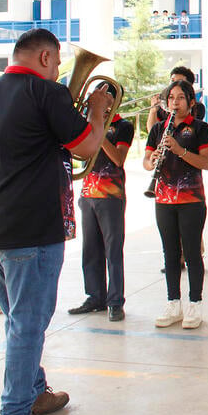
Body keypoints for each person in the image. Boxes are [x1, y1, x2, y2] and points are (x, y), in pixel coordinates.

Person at [0, 28, 110, 415]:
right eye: (60, 61)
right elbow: (85, 147)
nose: (62, 69)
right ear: (46, 59)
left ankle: (33, 391)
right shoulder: (47, 93)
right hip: (31, 229)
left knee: (18, 320)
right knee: (28, 325)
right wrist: (98, 109)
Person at [144, 80, 208, 330]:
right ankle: (173, 303)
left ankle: (195, 304)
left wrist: (179, 150)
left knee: (192, 253)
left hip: (191, 200)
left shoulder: (200, 128)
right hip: (163, 199)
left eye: (180, 98)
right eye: (171, 97)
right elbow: (145, 161)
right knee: (169, 254)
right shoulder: (158, 129)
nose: (174, 102)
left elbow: (206, 163)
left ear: (191, 102)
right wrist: (152, 160)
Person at [68, 84, 133, 322]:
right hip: (88, 193)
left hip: (111, 196)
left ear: (112, 101)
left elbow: (118, 159)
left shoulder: (123, 126)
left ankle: (115, 301)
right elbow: (80, 153)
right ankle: (95, 296)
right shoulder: (87, 122)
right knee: (90, 250)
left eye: (102, 96)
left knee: (113, 250)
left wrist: (100, 130)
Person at [147, 66, 206, 132]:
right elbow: (152, 132)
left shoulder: (198, 108)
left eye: (179, 82)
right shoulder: (163, 107)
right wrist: (153, 111)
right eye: (172, 81)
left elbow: (191, 134)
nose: (174, 85)